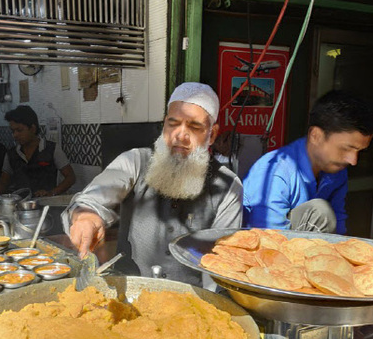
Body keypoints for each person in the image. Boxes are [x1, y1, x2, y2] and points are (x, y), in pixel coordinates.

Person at [63, 82, 243, 286]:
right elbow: (93, 199)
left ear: (212, 135)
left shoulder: (228, 186)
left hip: (189, 305)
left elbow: (220, 265)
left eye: (194, 127)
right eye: (173, 124)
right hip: (128, 295)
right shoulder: (135, 162)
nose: (180, 136)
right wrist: (86, 216)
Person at [243, 90, 373, 234]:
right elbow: (268, 240)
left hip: (296, 248)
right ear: (316, 136)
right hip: (260, 248)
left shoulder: (336, 172)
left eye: (359, 151)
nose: (353, 160)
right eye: (346, 148)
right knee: (320, 212)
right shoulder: (274, 172)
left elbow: (338, 225)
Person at [0, 105, 75, 210]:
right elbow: (3, 182)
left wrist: (51, 193)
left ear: (32, 128)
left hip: (46, 209)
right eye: (13, 131)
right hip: (20, 209)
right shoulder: (11, 154)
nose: (15, 135)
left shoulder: (52, 149)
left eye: (19, 130)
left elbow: (71, 177)